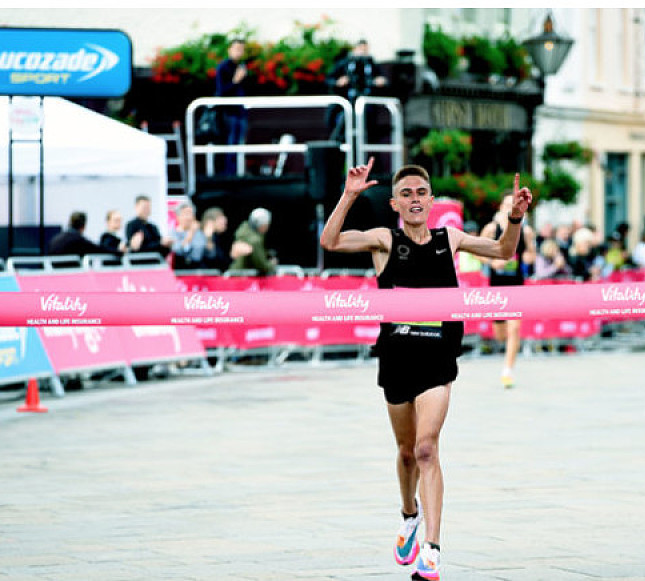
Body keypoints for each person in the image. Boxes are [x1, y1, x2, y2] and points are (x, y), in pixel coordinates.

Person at [319, 158, 532, 581]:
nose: (415, 199)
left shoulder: (448, 238)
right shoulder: (384, 240)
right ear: (395, 203)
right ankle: (409, 513)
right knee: (405, 453)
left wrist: (514, 218)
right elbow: (330, 241)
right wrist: (349, 196)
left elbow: (504, 252)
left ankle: (432, 551)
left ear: (431, 200)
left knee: (426, 449)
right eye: (406, 194)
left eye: (421, 193)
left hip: (437, 358)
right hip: (396, 359)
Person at [479, 194, 537, 389]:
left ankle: (507, 370)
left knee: (514, 328)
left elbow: (530, 254)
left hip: (516, 285)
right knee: (500, 334)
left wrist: (527, 258)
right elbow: (477, 251)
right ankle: (505, 356)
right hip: (497, 285)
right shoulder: (491, 228)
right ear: (501, 207)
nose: (510, 208)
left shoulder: (525, 230)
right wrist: (492, 262)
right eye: (507, 205)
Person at [327, 39, 387, 142]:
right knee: (344, 118)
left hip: (366, 104)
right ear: (355, 49)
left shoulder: (372, 65)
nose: (363, 52)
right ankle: (337, 142)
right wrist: (338, 82)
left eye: (365, 50)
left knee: (365, 121)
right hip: (347, 102)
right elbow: (329, 80)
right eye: (361, 49)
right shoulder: (345, 63)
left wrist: (380, 81)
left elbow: (384, 80)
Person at [216, 38, 249, 176]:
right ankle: (229, 173)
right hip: (228, 112)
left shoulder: (241, 67)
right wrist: (235, 80)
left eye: (241, 50)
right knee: (230, 142)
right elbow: (221, 91)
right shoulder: (223, 67)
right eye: (236, 49)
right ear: (230, 50)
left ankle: (238, 171)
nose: (239, 52)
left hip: (241, 111)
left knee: (240, 142)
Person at [229, 208, 277, 276]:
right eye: (267, 224)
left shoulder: (243, 232)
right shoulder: (255, 241)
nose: (267, 227)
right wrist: (271, 264)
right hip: (243, 277)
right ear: (262, 225)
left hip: (235, 274)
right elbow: (261, 265)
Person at [170, 202, 206, 271]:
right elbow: (177, 250)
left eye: (190, 214)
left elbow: (198, 255)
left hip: (198, 270)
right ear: (177, 217)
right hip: (180, 270)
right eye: (185, 214)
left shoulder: (199, 233)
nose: (188, 218)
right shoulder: (172, 233)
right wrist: (190, 235)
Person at [199, 206, 233, 272]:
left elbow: (221, 264)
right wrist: (208, 238)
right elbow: (209, 261)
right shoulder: (199, 236)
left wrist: (232, 256)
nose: (225, 220)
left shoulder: (217, 238)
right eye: (220, 218)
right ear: (209, 222)